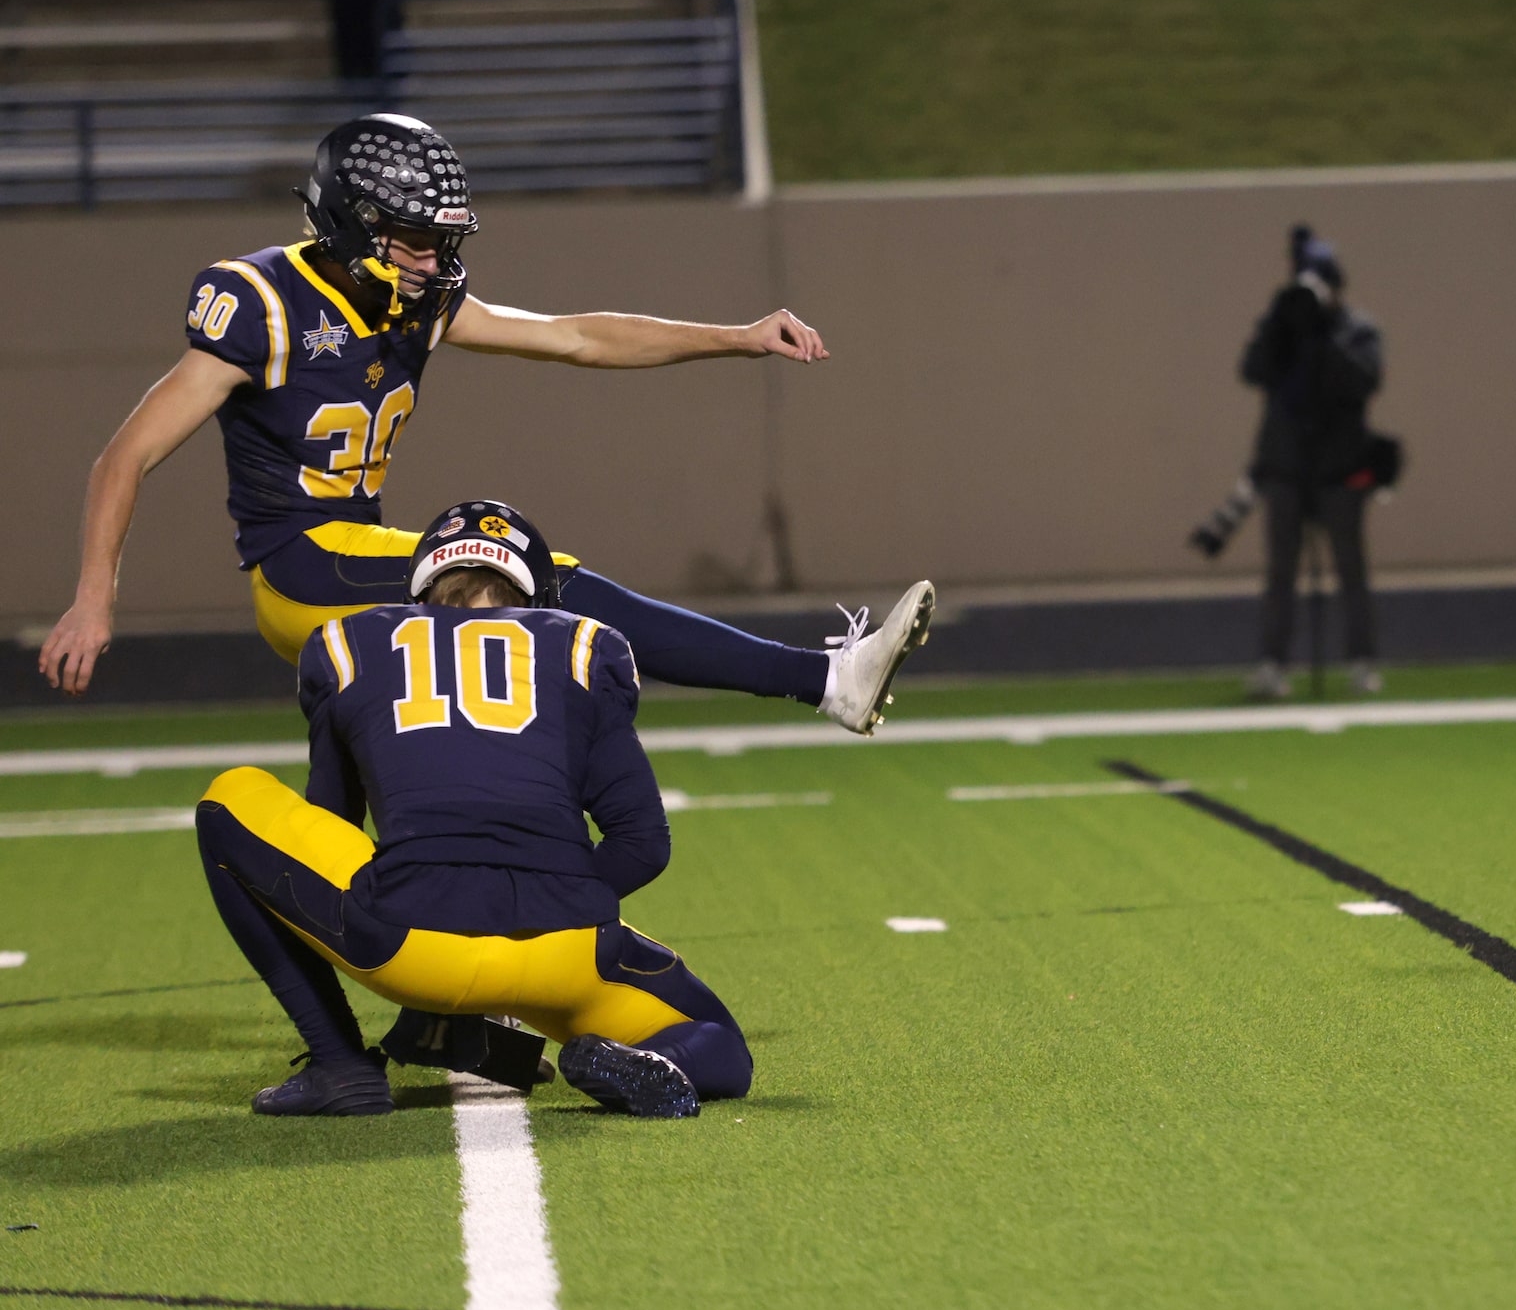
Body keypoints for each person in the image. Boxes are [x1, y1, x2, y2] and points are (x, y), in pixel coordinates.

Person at [36, 113, 932, 732]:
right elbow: (126, 456)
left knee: (453, 740)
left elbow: (577, 337)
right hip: (303, 567)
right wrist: (92, 599)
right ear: (353, 224)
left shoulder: (422, 296)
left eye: (443, 240)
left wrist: (735, 337)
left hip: (363, 559)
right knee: (530, 572)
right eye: (414, 239)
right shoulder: (263, 301)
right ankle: (827, 682)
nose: (435, 260)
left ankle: (466, 966)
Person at [197, 502, 749, 1118]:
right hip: (564, 950)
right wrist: (546, 894)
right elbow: (643, 844)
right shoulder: (584, 647)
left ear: (422, 586)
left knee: (231, 797)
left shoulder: (346, 643)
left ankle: (341, 1065)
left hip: (411, 943)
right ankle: (660, 1064)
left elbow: (332, 829)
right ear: (535, 595)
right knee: (718, 1038)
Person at [1238, 225, 1385, 699]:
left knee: (1350, 569)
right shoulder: (1282, 325)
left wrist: (1325, 339)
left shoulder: (1358, 330)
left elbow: (1364, 382)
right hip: (1286, 468)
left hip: (1339, 471)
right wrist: (1283, 329)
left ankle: (1362, 661)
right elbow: (1251, 370)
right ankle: (1271, 664)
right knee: (1280, 572)